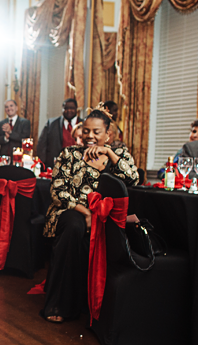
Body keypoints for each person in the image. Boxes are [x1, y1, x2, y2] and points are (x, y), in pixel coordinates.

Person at [41, 106, 139, 322]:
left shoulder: (119, 155)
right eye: (86, 131)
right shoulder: (70, 154)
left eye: (96, 132)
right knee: (74, 226)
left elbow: (133, 179)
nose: (90, 136)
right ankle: (58, 304)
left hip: (105, 217)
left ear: (108, 135)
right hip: (69, 210)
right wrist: (85, 212)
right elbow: (57, 191)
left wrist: (109, 153)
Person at [37, 98, 82, 169]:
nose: (69, 110)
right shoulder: (51, 124)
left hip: (78, 165)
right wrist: (43, 165)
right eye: (66, 108)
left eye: (72, 108)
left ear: (76, 109)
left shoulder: (84, 124)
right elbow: (41, 145)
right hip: (55, 166)